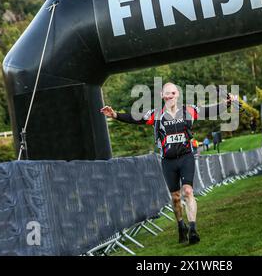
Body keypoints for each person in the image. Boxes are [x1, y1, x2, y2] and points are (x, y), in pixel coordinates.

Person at [100, 82, 237, 245]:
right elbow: (135, 118)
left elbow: (209, 110)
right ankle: (181, 225)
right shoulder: (156, 114)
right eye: (167, 93)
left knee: (187, 191)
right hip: (168, 161)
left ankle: (193, 229)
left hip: (186, 157)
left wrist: (226, 103)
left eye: (173, 93)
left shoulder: (189, 110)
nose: (170, 96)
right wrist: (115, 115)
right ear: (162, 96)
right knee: (176, 197)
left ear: (178, 94)